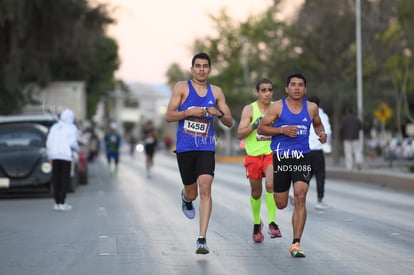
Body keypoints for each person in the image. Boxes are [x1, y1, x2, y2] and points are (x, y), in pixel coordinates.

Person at [165, 52, 233, 254]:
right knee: (193, 192)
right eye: (198, 66)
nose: (202, 69)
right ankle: (186, 198)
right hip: (185, 147)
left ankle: (202, 239)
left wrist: (218, 113)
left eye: (205, 66)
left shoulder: (217, 92)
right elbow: (169, 115)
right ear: (192, 69)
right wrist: (188, 112)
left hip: (206, 146)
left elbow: (230, 122)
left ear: (209, 69)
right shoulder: (182, 87)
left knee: (205, 188)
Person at [257, 73, 327, 257]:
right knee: (280, 203)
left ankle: (296, 243)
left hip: (302, 157)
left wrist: (322, 134)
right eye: (293, 85)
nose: (297, 88)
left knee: (300, 196)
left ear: (305, 89)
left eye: (300, 85)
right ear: (287, 88)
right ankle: (283, 196)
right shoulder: (278, 107)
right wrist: (281, 130)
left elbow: (318, 124)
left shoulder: (311, 108)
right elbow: (261, 128)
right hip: (281, 157)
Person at [237, 78, 282, 243]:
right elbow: (240, 134)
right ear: (258, 92)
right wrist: (254, 125)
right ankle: (257, 223)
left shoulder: (277, 108)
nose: (267, 93)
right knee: (256, 193)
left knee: (270, 185)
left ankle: (272, 222)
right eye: (263, 90)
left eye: (270, 90)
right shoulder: (249, 109)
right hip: (253, 156)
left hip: (270, 154)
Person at [46, 109, 79, 211]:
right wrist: (78, 148)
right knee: (64, 179)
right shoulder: (72, 128)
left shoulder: (54, 127)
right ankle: (62, 202)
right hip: (65, 156)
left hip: (55, 156)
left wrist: (50, 155)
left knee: (56, 179)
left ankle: (56, 203)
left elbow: (48, 143)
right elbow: (72, 143)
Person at [307, 96, 332, 210]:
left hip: (305, 150)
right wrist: (327, 144)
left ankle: (297, 193)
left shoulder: (303, 114)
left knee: (307, 174)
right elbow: (327, 131)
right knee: (320, 176)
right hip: (317, 150)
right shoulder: (322, 115)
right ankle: (320, 200)